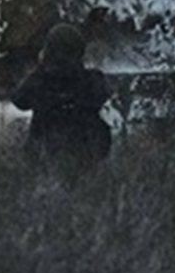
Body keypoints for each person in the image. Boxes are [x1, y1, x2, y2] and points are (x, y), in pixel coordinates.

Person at [10, 23, 111, 167]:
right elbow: (103, 96)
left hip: (45, 153)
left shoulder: (40, 79)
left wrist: (41, 67)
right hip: (85, 153)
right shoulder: (91, 79)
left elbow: (19, 101)